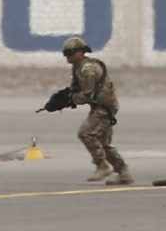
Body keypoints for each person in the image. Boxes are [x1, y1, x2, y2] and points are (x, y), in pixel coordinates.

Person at [38, 35, 129, 185]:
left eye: (71, 53)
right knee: (103, 143)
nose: (68, 56)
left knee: (86, 133)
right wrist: (55, 103)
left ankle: (102, 165)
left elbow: (88, 94)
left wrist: (70, 100)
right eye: (66, 53)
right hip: (101, 105)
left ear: (81, 52)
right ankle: (124, 172)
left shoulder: (88, 69)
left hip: (104, 107)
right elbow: (75, 89)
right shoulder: (78, 67)